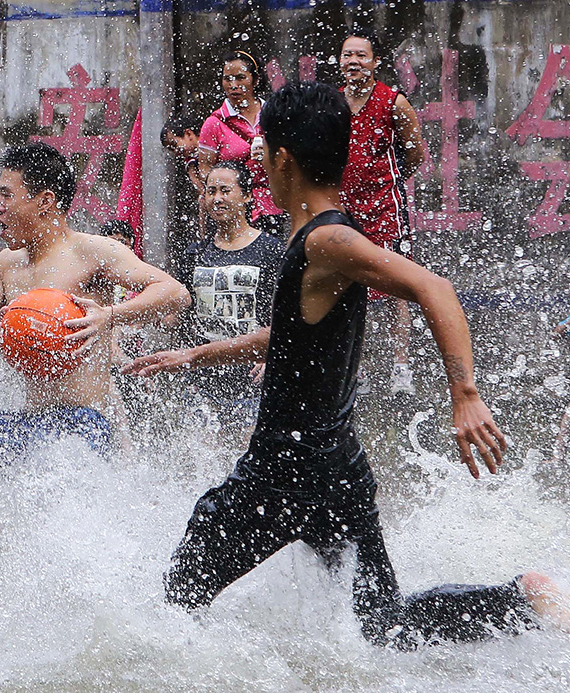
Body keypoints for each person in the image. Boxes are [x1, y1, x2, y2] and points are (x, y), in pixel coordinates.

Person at [125, 81, 567, 649]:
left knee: (173, 607)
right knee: (383, 627)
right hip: (336, 466)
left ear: (283, 159)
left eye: (263, 150)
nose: (257, 161)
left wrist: (465, 395)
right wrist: (197, 352)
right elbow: (292, 334)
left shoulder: (326, 240)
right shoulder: (328, 233)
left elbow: (434, 287)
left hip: (283, 471)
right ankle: (519, 600)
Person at [0, 143, 190, 501]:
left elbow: (176, 293)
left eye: (7, 195)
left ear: (45, 200)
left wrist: (110, 315)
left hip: (84, 424)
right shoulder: (7, 264)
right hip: (30, 422)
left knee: (48, 484)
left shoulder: (92, 251)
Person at [339, 27, 427, 395]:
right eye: (348, 55)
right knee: (347, 286)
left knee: (396, 286)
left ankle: (401, 368)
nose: (354, 62)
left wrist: (383, 182)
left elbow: (415, 154)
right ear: (340, 62)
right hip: (343, 209)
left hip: (385, 209)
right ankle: (352, 369)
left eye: (361, 55)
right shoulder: (333, 103)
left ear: (375, 62)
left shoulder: (393, 102)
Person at [179, 161, 284, 446]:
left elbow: (288, 315)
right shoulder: (196, 253)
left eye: (226, 190)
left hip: (251, 379)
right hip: (202, 378)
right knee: (201, 461)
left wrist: (272, 354)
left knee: (246, 459)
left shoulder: (272, 250)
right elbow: (178, 312)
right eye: (211, 191)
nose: (217, 198)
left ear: (247, 196)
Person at [198, 51, 287, 237]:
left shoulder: (274, 116)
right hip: (231, 212)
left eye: (240, 78)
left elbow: (289, 161)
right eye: (227, 79)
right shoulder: (214, 123)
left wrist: (270, 155)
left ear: (255, 80)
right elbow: (206, 171)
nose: (233, 86)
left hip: (272, 209)